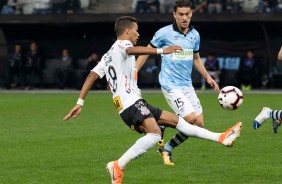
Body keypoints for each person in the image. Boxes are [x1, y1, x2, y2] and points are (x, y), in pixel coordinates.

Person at [63, 16, 242, 184]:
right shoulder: (122, 45)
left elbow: (92, 75)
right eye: (136, 31)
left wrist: (80, 102)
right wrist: (162, 50)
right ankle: (117, 166)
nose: (138, 34)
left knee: (180, 123)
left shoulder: (108, 54)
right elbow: (131, 50)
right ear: (126, 31)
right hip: (130, 104)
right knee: (155, 134)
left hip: (131, 103)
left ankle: (221, 137)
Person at [136, 0, 220, 166]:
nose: (184, 18)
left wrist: (207, 76)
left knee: (199, 123)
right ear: (174, 14)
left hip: (186, 85)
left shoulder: (195, 35)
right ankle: (163, 121)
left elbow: (196, 58)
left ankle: (167, 147)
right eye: (180, 14)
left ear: (191, 14)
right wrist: (134, 72)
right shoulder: (164, 33)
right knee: (189, 119)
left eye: (187, 14)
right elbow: (146, 51)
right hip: (170, 84)